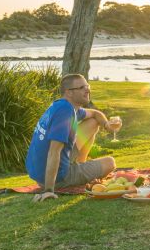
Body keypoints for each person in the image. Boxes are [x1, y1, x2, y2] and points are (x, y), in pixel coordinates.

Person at [26, 74, 121, 202]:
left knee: (93, 122)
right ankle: (75, 173)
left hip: (39, 172)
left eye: (87, 86)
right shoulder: (65, 112)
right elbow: (54, 152)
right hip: (59, 176)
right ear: (69, 92)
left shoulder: (63, 106)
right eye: (82, 87)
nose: (87, 90)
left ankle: (80, 165)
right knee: (110, 162)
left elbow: (95, 113)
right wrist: (48, 190)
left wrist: (107, 125)